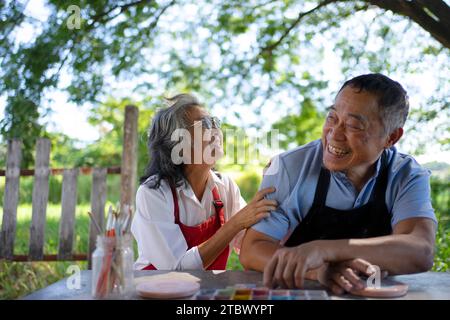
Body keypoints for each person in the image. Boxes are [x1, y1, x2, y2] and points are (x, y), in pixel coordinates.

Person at [239, 73, 437, 294]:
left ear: (391, 138)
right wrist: (317, 269)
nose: (334, 134)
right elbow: (252, 249)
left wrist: (323, 250)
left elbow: (421, 251)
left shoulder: (407, 175)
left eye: (353, 125)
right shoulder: (289, 167)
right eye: (332, 118)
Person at [131, 93, 277, 270]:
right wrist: (235, 223)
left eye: (215, 122)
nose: (216, 131)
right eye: (206, 124)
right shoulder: (153, 193)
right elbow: (177, 270)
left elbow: (250, 239)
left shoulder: (226, 187)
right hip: (157, 291)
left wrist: (272, 183)